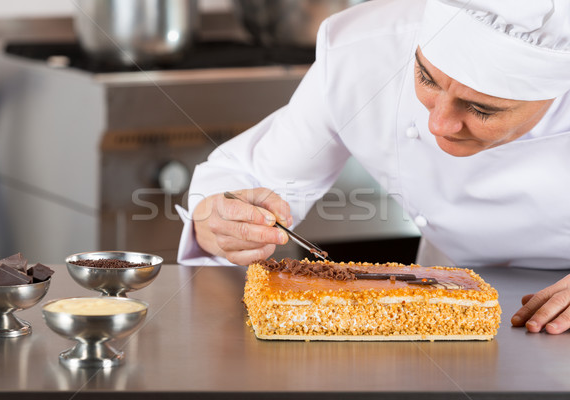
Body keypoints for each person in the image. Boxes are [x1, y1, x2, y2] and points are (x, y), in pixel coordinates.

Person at [176, 0, 570, 334]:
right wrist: (222, 224)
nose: (438, 125)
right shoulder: (366, 51)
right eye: (426, 79)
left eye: (482, 109)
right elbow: (250, 180)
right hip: (439, 305)